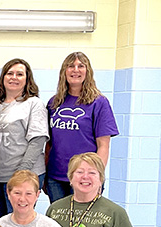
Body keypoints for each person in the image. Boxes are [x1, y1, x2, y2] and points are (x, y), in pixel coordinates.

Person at [45, 52, 118, 202]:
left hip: (85, 178)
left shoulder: (99, 103)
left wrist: (96, 176)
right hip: (56, 177)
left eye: (81, 66)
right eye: (71, 66)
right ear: (64, 71)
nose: (75, 70)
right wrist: (45, 174)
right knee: (59, 224)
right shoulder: (54, 103)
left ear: (88, 71)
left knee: (84, 224)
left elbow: (103, 146)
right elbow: (49, 143)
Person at [0, 59, 49, 218]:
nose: (14, 77)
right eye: (9, 73)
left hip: (23, 173)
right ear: (3, 78)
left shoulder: (33, 104)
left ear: (27, 79)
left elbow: (37, 142)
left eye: (19, 74)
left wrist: (21, 174)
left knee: (17, 223)